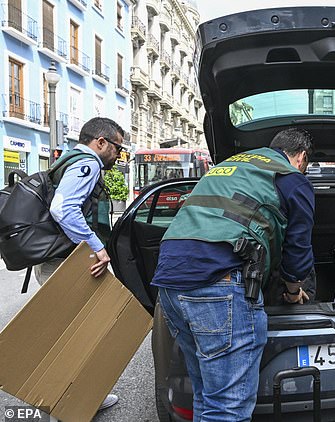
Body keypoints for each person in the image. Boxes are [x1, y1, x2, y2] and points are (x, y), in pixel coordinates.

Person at [151, 128, 315, 421]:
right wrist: (292, 291)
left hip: (170, 283)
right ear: (301, 158)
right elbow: (298, 248)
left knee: (206, 395)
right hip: (217, 286)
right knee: (227, 409)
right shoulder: (290, 178)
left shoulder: (229, 166)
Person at [33, 116, 125, 411]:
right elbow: (63, 208)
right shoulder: (88, 164)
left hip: (56, 259)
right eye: (117, 148)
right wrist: (97, 248)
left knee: (69, 333)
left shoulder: (68, 160)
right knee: (76, 336)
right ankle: (72, 404)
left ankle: (77, 399)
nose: (118, 155)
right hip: (64, 263)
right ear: (100, 142)